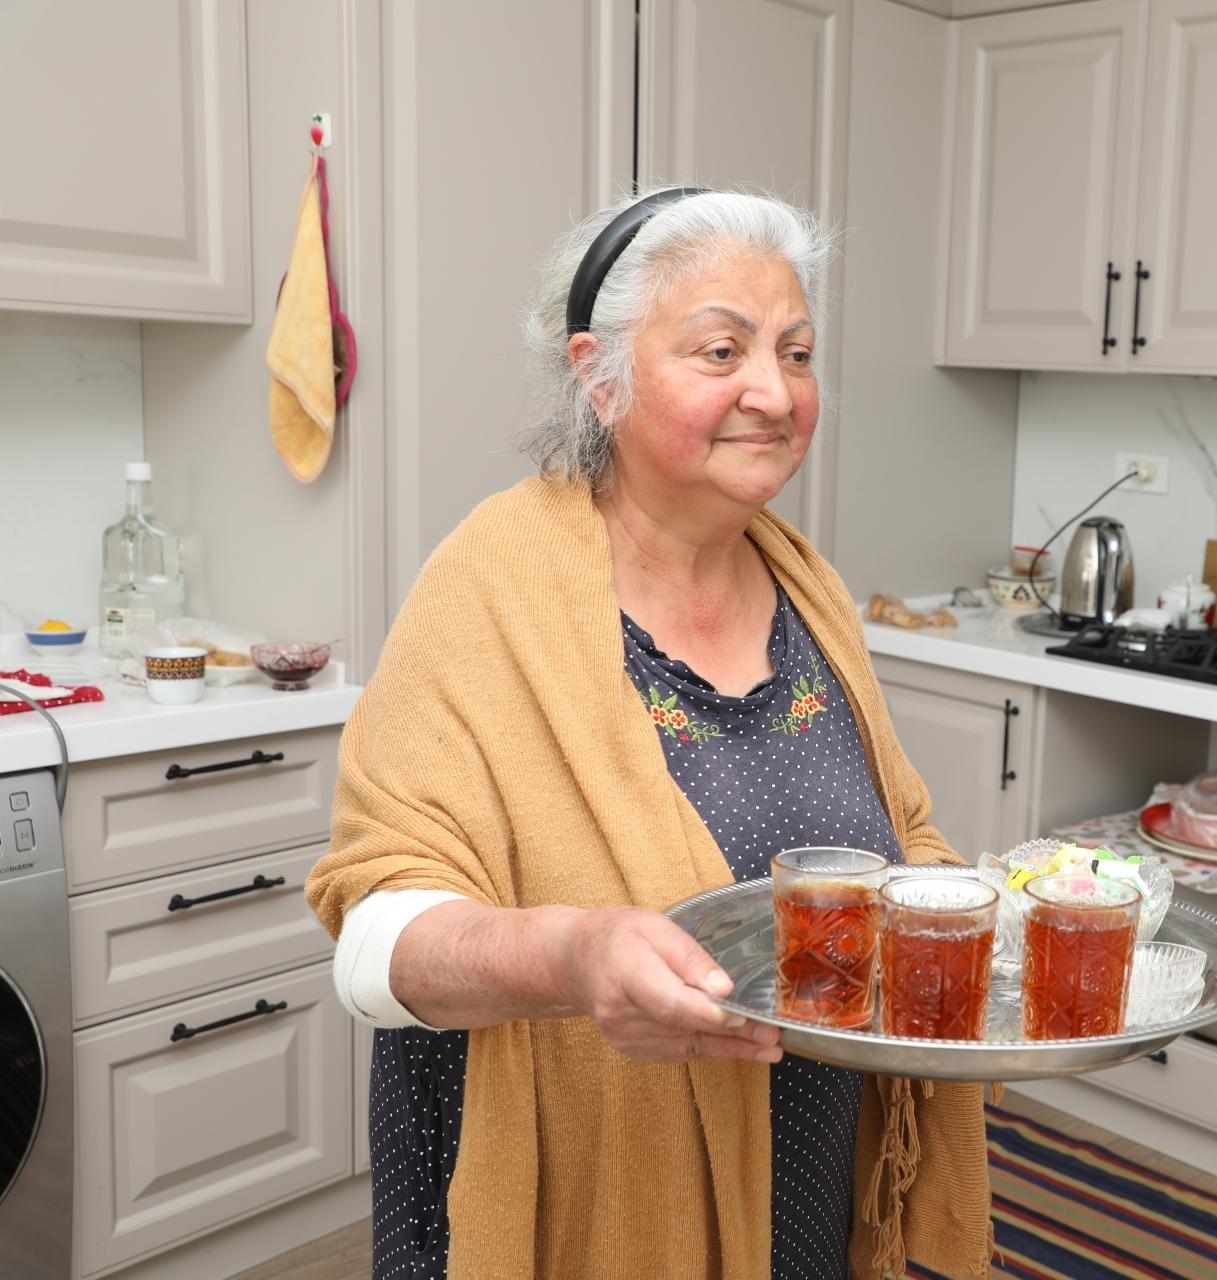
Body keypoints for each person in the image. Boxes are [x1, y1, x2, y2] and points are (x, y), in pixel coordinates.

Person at [307, 186, 990, 1279]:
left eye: (798, 353)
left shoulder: (806, 583)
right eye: (722, 350)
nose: (775, 392)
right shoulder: (489, 587)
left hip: (805, 1169)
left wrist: (975, 928)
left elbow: (900, 833)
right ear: (598, 371)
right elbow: (374, 941)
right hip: (570, 1206)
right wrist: (574, 953)